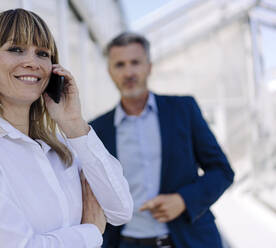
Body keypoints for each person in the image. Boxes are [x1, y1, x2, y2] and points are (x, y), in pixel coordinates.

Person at [0, 9, 133, 248]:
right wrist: (91, 231)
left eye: (42, 53)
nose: (32, 62)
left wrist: (74, 124)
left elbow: (121, 210)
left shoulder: (65, 143)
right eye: (15, 49)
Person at [90, 32, 235, 248]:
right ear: (110, 71)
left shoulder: (184, 110)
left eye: (135, 63)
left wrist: (184, 200)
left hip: (188, 239)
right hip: (125, 242)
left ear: (149, 67)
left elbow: (222, 171)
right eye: (120, 65)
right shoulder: (97, 129)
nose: (129, 72)